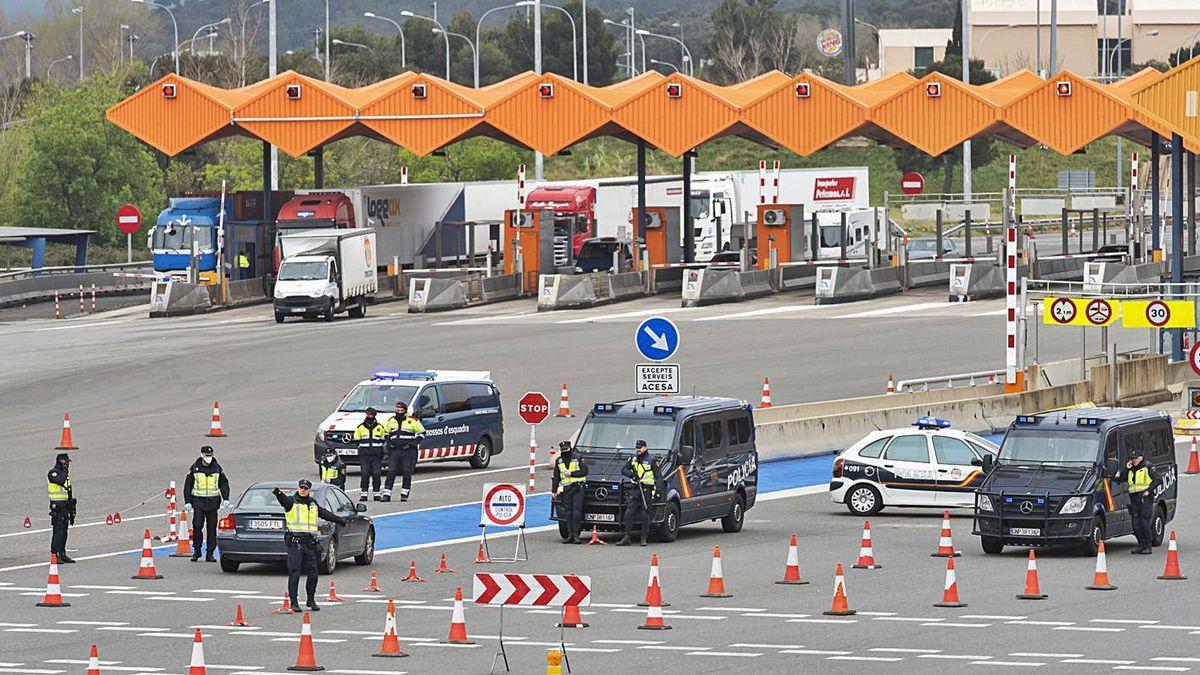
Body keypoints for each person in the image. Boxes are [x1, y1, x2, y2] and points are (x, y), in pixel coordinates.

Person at [273, 480, 348, 613]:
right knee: (295, 572)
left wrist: (340, 520)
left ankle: (311, 599)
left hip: (309, 543)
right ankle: (294, 602)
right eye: (301, 488)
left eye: (305, 488)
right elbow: (283, 500)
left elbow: (324, 513)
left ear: (309, 490)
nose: (303, 490)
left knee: (313, 572)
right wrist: (278, 493)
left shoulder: (312, 503)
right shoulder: (291, 502)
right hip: (295, 543)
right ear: (298, 488)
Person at [183, 445, 230, 562]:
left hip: (213, 502)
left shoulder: (217, 468)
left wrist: (226, 498)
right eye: (206, 455)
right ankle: (197, 551)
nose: (209, 457)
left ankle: (210, 553)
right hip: (198, 501)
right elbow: (188, 485)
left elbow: (223, 483)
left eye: (210, 455)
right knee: (197, 525)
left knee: (211, 528)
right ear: (202, 455)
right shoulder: (195, 468)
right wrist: (188, 501)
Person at [618, 440, 663, 547]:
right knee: (629, 512)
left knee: (645, 514)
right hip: (635, 489)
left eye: (640, 447)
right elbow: (624, 470)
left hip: (646, 489)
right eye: (637, 447)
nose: (638, 449)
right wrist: (632, 475)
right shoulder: (633, 458)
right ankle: (627, 537)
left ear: (645, 448)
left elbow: (659, 477)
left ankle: (644, 538)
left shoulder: (652, 460)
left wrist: (658, 491)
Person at [1120, 453, 1162, 554]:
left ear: (1141, 458)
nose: (1133, 460)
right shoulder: (1130, 469)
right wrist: (1126, 468)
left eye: (1135, 458)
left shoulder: (1148, 467)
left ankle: (1147, 546)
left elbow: (1158, 479)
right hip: (1134, 499)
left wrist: (1148, 490)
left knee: (1144, 523)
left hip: (1145, 498)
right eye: (1132, 458)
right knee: (1135, 525)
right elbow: (1121, 479)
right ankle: (1140, 545)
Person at [383, 401, 425, 502]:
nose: (399, 412)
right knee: (391, 472)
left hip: (407, 451)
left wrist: (413, 444)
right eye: (398, 410)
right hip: (395, 450)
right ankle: (387, 494)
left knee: (407, 472)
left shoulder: (412, 420)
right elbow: (386, 433)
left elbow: (422, 433)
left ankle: (404, 493)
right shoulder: (391, 420)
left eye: (401, 410)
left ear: (405, 411)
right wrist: (389, 443)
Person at [552, 441, 588, 544]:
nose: (565, 451)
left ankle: (576, 536)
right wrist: (554, 490)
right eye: (563, 450)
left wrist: (571, 473)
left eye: (566, 449)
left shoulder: (579, 458)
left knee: (576, 512)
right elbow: (556, 476)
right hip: (566, 490)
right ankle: (569, 535)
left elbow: (584, 472)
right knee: (568, 513)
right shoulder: (559, 461)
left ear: (570, 448)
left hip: (577, 488)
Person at [354, 407, 387, 502]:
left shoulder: (379, 427)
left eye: (370, 414)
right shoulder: (360, 427)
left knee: (377, 474)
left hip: (376, 455)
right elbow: (356, 439)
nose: (368, 416)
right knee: (365, 474)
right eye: (367, 414)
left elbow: (383, 440)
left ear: (374, 415)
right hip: (365, 455)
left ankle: (377, 493)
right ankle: (364, 493)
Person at [47, 453, 75, 563]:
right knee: (57, 530)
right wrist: (64, 470)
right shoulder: (53, 473)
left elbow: (68, 489)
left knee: (64, 530)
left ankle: (62, 553)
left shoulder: (65, 474)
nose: (67, 464)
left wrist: (71, 503)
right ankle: (54, 554)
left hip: (65, 505)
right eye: (65, 462)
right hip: (57, 506)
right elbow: (60, 481)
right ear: (60, 461)